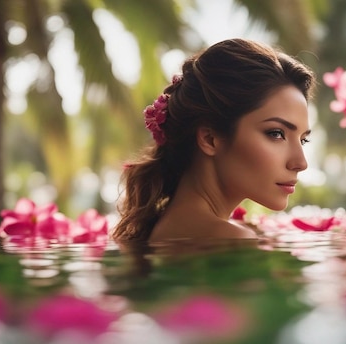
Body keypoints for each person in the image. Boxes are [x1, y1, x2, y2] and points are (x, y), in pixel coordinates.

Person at [111, 38, 315, 243]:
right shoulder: (230, 240)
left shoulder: (168, 227)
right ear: (210, 139)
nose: (301, 163)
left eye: (303, 140)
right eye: (276, 133)